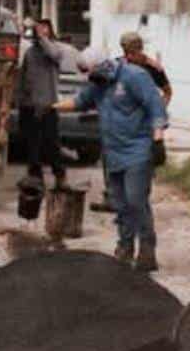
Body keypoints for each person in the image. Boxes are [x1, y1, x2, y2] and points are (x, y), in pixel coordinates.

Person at [57, 45, 167, 271]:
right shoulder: (98, 83)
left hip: (137, 150)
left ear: (103, 64)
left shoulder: (135, 77)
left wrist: (158, 140)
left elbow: (156, 107)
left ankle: (147, 251)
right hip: (112, 153)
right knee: (120, 203)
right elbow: (80, 102)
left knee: (136, 201)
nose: (88, 77)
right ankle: (125, 247)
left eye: (90, 72)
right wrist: (51, 107)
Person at [93, 32, 173, 212]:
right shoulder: (116, 64)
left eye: (133, 51)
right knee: (110, 158)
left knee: (144, 161)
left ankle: (139, 199)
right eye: (126, 51)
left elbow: (168, 91)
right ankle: (112, 198)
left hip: (143, 126)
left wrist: (158, 111)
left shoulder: (153, 68)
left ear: (140, 49)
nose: (129, 55)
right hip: (120, 124)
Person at [16, 18, 69, 189]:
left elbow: (54, 54)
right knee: (32, 143)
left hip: (47, 104)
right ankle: (35, 176)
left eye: (45, 28)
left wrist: (43, 38)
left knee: (51, 143)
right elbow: (24, 78)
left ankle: (60, 175)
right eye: (39, 28)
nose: (40, 30)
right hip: (30, 105)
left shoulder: (55, 48)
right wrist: (21, 101)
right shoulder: (30, 52)